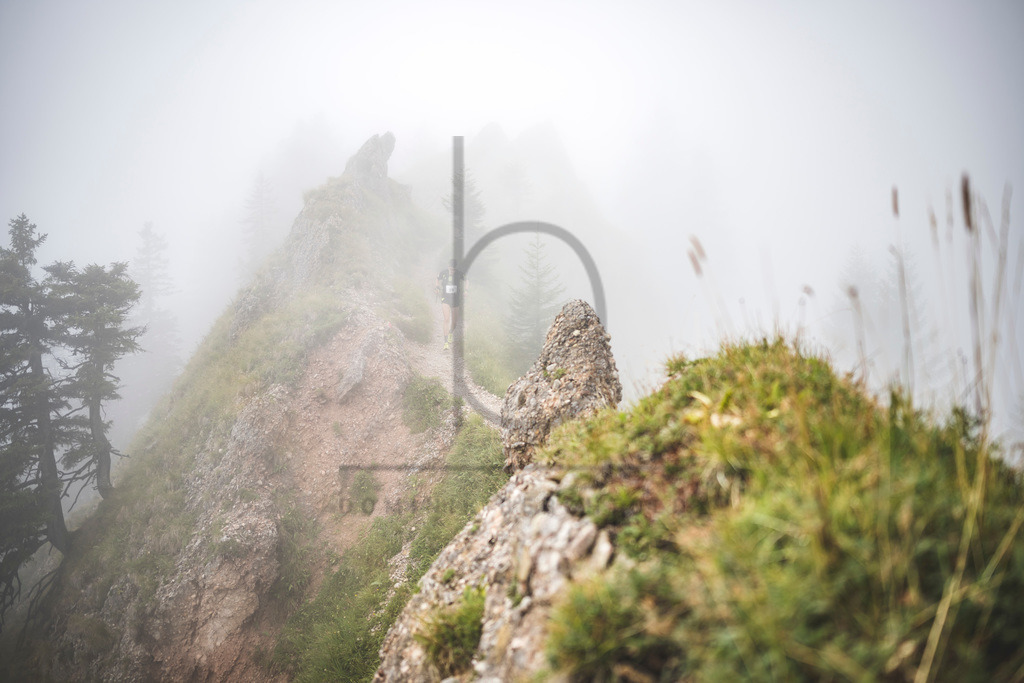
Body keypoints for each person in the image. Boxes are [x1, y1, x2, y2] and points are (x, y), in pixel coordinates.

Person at [435, 259, 463, 350]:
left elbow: (467, 280)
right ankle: (446, 342)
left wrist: (466, 290)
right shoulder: (443, 272)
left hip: (455, 299)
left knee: (454, 322)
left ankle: (450, 333)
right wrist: (437, 287)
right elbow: (437, 278)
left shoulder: (459, 273)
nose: (452, 271)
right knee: (446, 319)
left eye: (453, 270)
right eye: (450, 269)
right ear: (448, 267)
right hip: (445, 298)